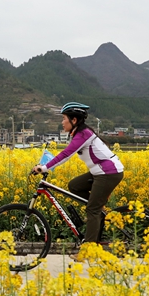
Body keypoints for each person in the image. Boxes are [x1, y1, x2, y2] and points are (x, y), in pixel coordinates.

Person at [32, 102, 124, 246]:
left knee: (92, 210)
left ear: (74, 120)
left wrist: (44, 168)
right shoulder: (79, 134)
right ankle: (98, 209)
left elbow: (66, 154)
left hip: (108, 173)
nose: (62, 122)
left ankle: (88, 250)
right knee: (74, 186)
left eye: (64, 118)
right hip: (99, 172)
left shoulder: (83, 134)